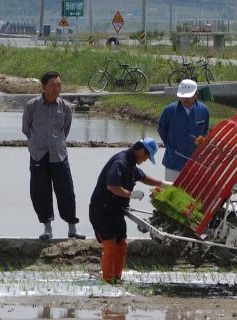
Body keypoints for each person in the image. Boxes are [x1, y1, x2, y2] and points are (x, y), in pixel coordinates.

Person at [89, 137, 165, 284]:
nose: (146, 160)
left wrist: (161, 183)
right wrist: (131, 194)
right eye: (147, 156)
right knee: (110, 246)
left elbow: (142, 177)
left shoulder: (130, 164)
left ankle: (117, 278)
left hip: (116, 210)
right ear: (141, 151)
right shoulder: (120, 162)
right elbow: (111, 185)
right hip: (102, 210)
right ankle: (108, 281)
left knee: (121, 245)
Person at [21, 71, 83, 240]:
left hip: (59, 155)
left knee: (66, 191)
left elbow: (66, 129)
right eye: (53, 85)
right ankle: (47, 228)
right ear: (43, 87)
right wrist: (36, 145)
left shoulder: (65, 107)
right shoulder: (31, 106)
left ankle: (72, 228)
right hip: (38, 155)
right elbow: (26, 129)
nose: (57, 89)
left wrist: (56, 143)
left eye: (59, 85)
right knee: (40, 192)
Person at [157, 79, 211, 182]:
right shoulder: (169, 110)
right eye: (183, 96)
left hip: (195, 161)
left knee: (192, 193)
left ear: (196, 94)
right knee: (171, 191)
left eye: (189, 96)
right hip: (173, 161)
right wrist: (171, 145)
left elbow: (205, 132)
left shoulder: (204, 111)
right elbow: (161, 129)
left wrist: (202, 140)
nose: (185, 99)